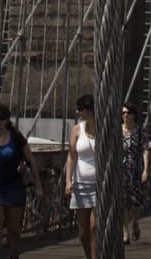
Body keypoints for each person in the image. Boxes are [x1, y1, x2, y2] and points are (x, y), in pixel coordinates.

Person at [0, 102, 45, 259]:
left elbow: (31, 161)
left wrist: (38, 185)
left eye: (0, 118)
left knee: (13, 227)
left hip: (14, 186)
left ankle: (14, 252)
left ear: (7, 120)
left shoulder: (16, 138)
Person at [65, 94, 100, 258]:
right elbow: (72, 156)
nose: (77, 112)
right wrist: (68, 181)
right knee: (83, 231)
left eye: (80, 109)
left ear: (89, 110)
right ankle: (88, 255)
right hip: (80, 185)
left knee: (94, 228)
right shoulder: (77, 129)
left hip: (99, 185)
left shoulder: (103, 130)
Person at [120, 102, 150, 244]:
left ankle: (135, 223)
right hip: (121, 170)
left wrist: (145, 169)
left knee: (134, 202)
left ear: (134, 115)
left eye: (128, 113)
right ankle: (125, 233)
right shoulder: (117, 131)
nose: (126, 115)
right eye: (123, 113)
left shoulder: (140, 131)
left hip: (135, 170)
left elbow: (145, 150)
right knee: (123, 202)